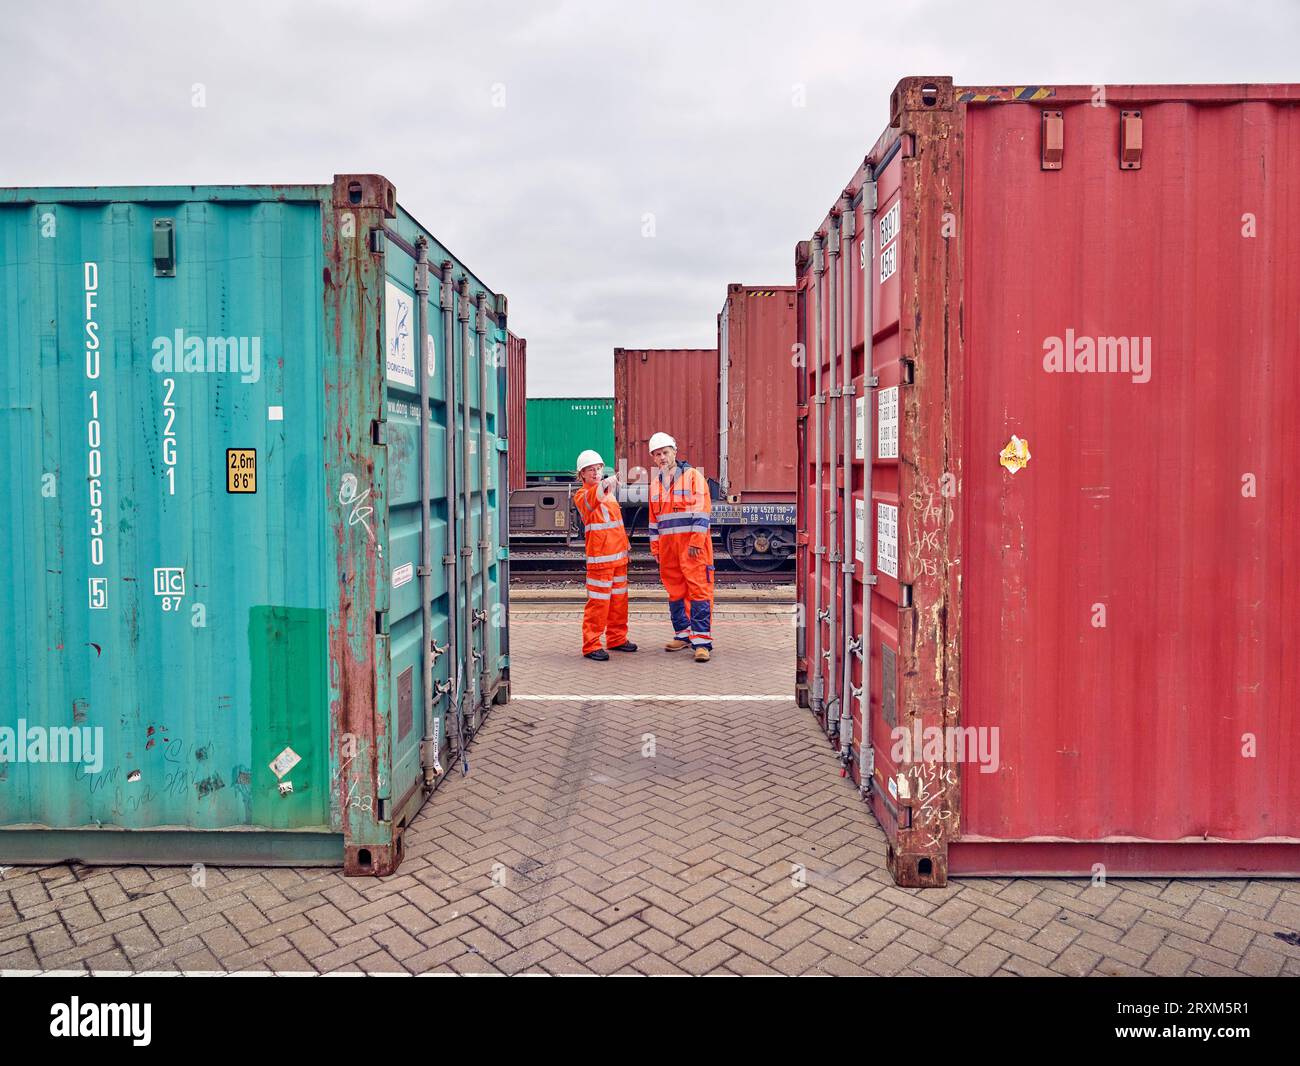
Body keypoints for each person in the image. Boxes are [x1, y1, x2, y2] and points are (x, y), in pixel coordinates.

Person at [646, 432, 714, 662]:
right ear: (653, 458)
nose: (662, 457)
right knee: (675, 592)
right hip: (668, 549)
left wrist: (696, 541)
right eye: (657, 454)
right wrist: (656, 549)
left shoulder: (693, 476)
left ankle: (702, 641)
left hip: (692, 547)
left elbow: (702, 511)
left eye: (665, 452)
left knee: (698, 591)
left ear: (674, 452)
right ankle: (683, 634)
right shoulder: (655, 484)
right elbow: (654, 521)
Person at [572, 449, 636, 661]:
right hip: (601, 560)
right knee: (599, 603)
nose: (596, 472)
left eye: (599, 468)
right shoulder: (582, 495)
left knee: (619, 601)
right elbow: (593, 498)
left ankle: (617, 638)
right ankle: (591, 645)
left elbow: (616, 524)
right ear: (582, 474)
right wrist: (606, 483)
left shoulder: (607, 495)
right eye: (591, 470)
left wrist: (626, 545)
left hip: (617, 557)